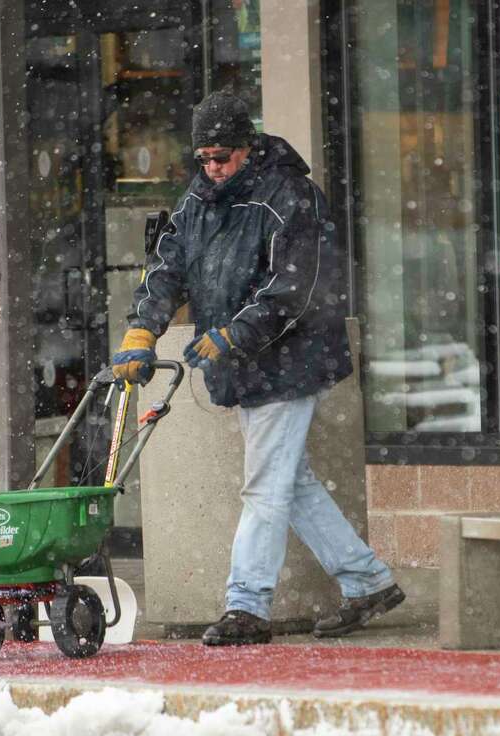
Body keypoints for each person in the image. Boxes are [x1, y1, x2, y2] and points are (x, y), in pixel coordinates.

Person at [111, 90, 403, 646]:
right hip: (243, 363)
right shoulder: (198, 200)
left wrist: (232, 334)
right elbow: (167, 267)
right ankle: (367, 581)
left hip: (292, 360)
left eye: (223, 156)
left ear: (247, 146)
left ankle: (247, 605)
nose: (213, 168)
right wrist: (142, 329)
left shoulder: (292, 197)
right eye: (204, 159)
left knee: (264, 487)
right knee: (289, 483)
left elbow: (294, 290)